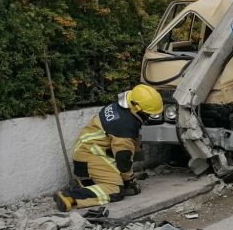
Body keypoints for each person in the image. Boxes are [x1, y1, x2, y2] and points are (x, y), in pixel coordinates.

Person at [52, 84, 164, 212]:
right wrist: (129, 179)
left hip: (88, 150)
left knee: (115, 180)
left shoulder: (123, 108)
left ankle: (81, 186)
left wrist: (136, 160)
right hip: (92, 155)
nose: (149, 117)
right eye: (148, 114)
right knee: (115, 190)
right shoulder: (124, 125)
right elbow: (123, 159)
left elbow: (133, 140)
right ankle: (70, 197)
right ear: (138, 108)